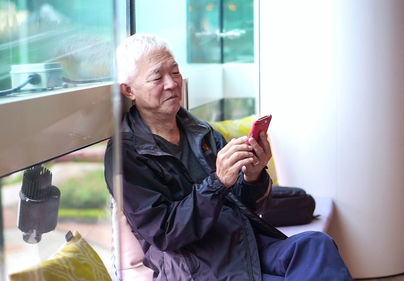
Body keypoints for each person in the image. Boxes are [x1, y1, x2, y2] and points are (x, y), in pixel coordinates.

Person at [104, 33, 352, 281]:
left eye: (176, 72)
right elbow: (166, 232)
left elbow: (246, 205)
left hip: (244, 243)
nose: (172, 83)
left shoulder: (202, 133)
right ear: (128, 90)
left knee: (316, 244)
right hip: (200, 267)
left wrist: (253, 176)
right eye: (157, 77)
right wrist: (218, 183)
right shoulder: (125, 155)